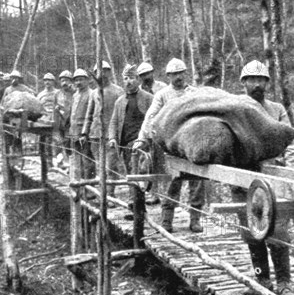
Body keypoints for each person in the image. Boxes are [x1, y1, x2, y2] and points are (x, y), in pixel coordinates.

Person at [235, 60, 294, 295]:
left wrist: (291, 176)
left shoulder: (276, 109)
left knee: (279, 233)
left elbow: (290, 142)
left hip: (273, 180)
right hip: (243, 180)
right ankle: (262, 279)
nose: (258, 84)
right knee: (252, 234)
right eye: (252, 79)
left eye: (262, 80)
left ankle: (284, 281)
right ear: (244, 83)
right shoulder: (235, 107)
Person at [133, 58, 205, 233]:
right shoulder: (163, 95)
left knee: (197, 183)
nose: (178, 77)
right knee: (173, 182)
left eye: (180, 73)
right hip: (172, 146)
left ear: (185, 73)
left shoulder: (195, 93)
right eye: (173, 74)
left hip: (193, 145)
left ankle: (195, 220)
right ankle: (167, 221)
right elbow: (150, 117)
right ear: (168, 76)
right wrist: (142, 138)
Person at [108, 65, 154, 208]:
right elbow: (114, 121)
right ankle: (133, 198)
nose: (129, 82)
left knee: (142, 169)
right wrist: (112, 138)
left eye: (132, 78)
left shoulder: (148, 98)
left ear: (138, 80)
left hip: (142, 142)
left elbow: (154, 119)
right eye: (126, 78)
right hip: (125, 142)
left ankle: (146, 196)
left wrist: (146, 139)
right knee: (130, 170)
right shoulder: (120, 101)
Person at [82, 61, 124, 198]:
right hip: (95, 134)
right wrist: (85, 132)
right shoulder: (94, 93)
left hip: (111, 136)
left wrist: (119, 134)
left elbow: (122, 115)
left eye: (105, 70)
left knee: (110, 167)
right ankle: (101, 194)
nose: (102, 74)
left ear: (109, 72)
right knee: (99, 166)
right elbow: (89, 114)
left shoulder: (118, 91)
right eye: (99, 71)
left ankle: (110, 195)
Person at [69, 68, 95, 180]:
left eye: (81, 79)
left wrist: (85, 132)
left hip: (85, 133)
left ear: (87, 80)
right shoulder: (75, 95)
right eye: (76, 80)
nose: (78, 82)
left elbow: (90, 115)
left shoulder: (91, 94)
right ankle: (79, 185)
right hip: (74, 132)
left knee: (87, 160)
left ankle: (89, 188)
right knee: (76, 160)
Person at [54, 70, 75, 167]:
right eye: (62, 81)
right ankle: (61, 162)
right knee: (59, 143)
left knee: (70, 143)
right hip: (61, 122)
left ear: (71, 81)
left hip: (72, 123)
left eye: (66, 80)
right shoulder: (58, 94)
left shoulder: (75, 92)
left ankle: (72, 164)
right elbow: (56, 106)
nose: (64, 83)